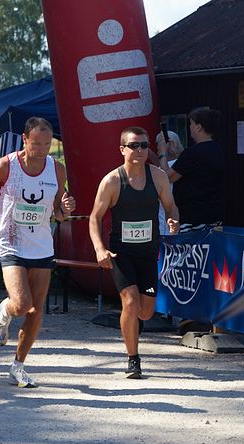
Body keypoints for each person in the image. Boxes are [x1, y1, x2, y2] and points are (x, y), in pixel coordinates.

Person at [0, 117, 76, 388]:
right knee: (21, 303)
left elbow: (59, 214)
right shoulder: (7, 165)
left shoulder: (57, 169)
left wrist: (65, 208)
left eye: (46, 144)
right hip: (11, 243)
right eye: (36, 144)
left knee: (35, 310)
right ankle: (4, 313)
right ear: (24, 140)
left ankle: (18, 366)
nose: (41, 149)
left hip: (41, 245)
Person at [89, 126, 179, 379]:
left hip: (148, 252)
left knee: (146, 312)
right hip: (121, 252)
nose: (140, 150)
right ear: (122, 150)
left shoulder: (158, 177)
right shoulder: (112, 181)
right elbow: (94, 218)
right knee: (129, 300)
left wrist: (173, 221)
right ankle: (133, 359)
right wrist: (99, 249)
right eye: (133, 146)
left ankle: (132, 323)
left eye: (143, 145)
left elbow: (172, 208)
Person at [158, 108, 224, 232]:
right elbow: (193, 168)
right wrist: (178, 153)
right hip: (214, 215)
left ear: (198, 127)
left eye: (191, 124)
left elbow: (167, 177)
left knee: (192, 251)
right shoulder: (217, 149)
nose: (190, 127)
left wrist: (163, 153)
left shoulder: (192, 153)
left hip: (192, 218)